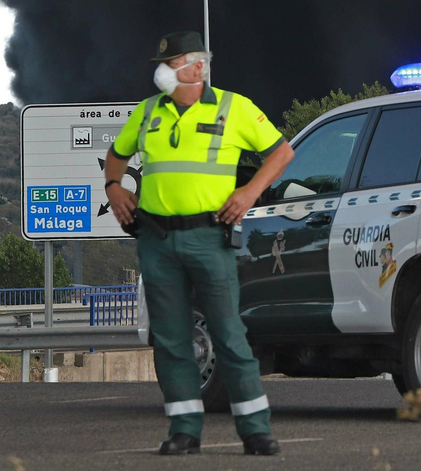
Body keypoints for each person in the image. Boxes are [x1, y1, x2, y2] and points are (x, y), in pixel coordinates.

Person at [104, 31, 295, 456]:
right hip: (156, 241)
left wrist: (248, 193)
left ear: (197, 67)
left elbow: (281, 153)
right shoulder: (148, 111)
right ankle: (184, 431)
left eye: (170, 63)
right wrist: (114, 188)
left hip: (209, 238)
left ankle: (255, 430)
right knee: (171, 340)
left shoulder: (234, 107)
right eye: (162, 63)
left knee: (228, 334)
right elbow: (116, 155)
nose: (162, 71)